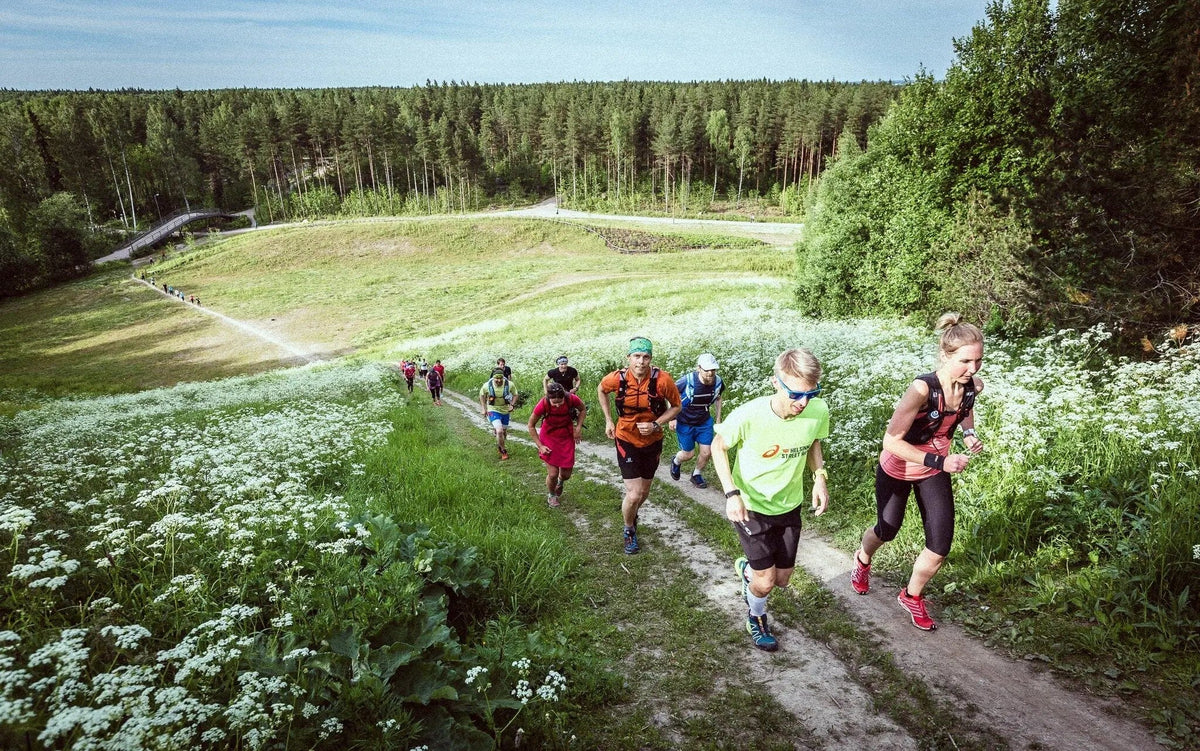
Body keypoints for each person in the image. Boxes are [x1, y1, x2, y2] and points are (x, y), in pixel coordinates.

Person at [850, 313, 985, 631]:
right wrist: (941, 462)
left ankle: (912, 595)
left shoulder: (972, 385)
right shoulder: (922, 389)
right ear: (945, 355)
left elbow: (966, 410)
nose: (973, 369)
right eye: (965, 361)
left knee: (940, 546)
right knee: (887, 529)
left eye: (978, 360)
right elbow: (891, 441)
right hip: (898, 468)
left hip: (933, 471)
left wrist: (968, 434)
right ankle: (863, 559)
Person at [711, 348, 830, 652]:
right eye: (795, 394)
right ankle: (757, 616)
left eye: (810, 394)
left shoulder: (816, 410)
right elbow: (718, 445)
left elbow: (814, 438)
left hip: (789, 505)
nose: (803, 403)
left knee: (783, 580)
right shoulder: (750, 415)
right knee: (765, 583)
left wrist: (819, 476)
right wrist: (731, 493)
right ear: (776, 382)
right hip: (750, 506)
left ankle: (748, 571)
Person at [596, 336, 682, 554]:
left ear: (651, 359)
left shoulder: (662, 380)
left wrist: (656, 424)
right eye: (637, 356)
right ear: (629, 358)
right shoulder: (617, 378)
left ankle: (631, 512)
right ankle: (629, 529)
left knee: (644, 493)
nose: (641, 362)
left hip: (652, 440)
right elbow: (601, 389)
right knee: (634, 494)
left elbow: (676, 406)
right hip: (626, 437)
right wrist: (608, 420)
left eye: (645, 357)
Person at [669, 353, 724, 489]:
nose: (710, 373)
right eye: (707, 370)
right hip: (684, 421)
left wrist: (718, 418)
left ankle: (696, 474)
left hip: (704, 422)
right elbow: (671, 395)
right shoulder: (686, 381)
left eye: (713, 370)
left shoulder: (718, 382)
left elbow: (718, 398)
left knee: (707, 452)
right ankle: (676, 461)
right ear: (699, 368)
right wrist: (672, 417)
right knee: (688, 454)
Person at [528, 382, 587, 507]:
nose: (557, 405)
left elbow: (582, 409)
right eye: (554, 402)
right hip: (548, 437)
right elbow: (531, 425)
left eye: (560, 402)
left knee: (566, 475)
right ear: (548, 398)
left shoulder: (571, 398)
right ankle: (552, 495)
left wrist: (578, 427)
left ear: (564, 397)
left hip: (566, 436)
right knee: (553, 473)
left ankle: (560, 482)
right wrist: (540, 446)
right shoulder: (543, 404)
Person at [480, 368, 518, 460]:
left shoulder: (509, 384)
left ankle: (499, 444)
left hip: (505, 410)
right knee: (499, 430)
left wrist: (512, 405)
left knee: (503, 433)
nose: (499, 380)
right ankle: (503, 451)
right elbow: (482, 395)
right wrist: (484, 408)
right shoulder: (487, 386)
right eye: (496, 378)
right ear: (493, 378)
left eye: (500, 378)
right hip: (492, 409)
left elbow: (515, 395)